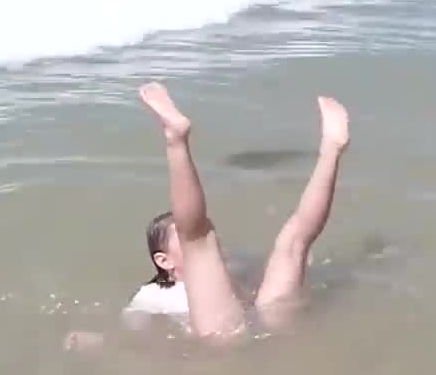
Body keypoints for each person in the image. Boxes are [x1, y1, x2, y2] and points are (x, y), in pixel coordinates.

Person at [64, 83, 350, 351]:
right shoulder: (152, 298)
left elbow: (137, 344)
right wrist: (94, 341)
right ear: (163, 261)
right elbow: (130, 341)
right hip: (255, 327)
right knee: (288, 242)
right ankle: (332, 149)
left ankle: (331, 149)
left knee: (294, 241)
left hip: (242, 332)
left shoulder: (228, 264)